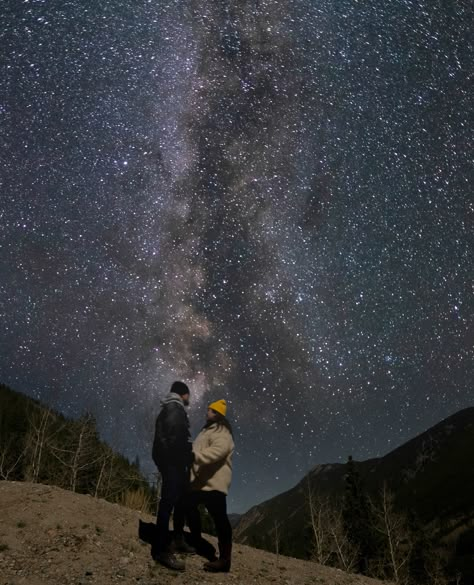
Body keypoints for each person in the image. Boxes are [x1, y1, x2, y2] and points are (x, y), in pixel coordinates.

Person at [187, 399, 235, 572]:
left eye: (210, 410)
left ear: (217, 414)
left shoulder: (223, 433)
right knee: (188, 505)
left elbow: (217, 451)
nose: (206, 412)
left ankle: (224, 560)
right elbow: (196, 450)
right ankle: (196, 541)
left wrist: (193, 457)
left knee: (220, 519)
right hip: (199, 482)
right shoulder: (205, 431)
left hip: (215, 482)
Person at [151, 381, 193, 571]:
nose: (189, 399)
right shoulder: (176, 408)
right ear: (183, 394)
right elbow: (176, 438)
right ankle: (160, 550)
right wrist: (187, 457)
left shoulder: (168, 408)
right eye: (188, 396)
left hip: (170, 460)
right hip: (174, 462)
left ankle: (177, 539)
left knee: (181, 500)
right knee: (168, 502)